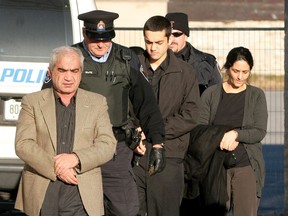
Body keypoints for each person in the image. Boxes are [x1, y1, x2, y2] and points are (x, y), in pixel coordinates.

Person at [42, 10, 166, 216]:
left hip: (115, 149)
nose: (101, 44)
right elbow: (46, 104)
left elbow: (147, 104)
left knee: (125, 209)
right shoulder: (69, 59)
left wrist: (158, 143)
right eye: (95, 38)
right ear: (84, 33)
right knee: (75, 209)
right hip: (77, 148)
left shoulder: (126, 60)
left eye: (106, 38)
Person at [14, 46, 117, 216]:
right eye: (62, 70)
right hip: (43, 191)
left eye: (74, 71)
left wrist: (76, 158)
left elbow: (107, 144)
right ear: (50, 72)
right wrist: (57, 167)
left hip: (81, 194)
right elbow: (23, 144)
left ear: (81, 72)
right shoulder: (31, 102)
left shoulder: (97, 103)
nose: (69, 77)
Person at [133, 15, 200, 216]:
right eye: (148, 42)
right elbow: (123, 105)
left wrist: (154, 132)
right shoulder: (134, 68)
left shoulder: (185, 73)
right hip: (136, 154)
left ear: (169, 39)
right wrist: (133, 132)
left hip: (169, 155)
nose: (153, 48)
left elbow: (191, 114)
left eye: (159, 42)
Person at [197, 46, 268, 215]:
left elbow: (259, 131)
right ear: (227, 68)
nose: (240, 76)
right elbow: (200, 127)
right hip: (216, 166)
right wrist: (219, 137)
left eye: (245, 72)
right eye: (236, 71)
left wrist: (236, 134)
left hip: (246, 165)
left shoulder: (257, 95)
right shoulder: (211, 94)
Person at [165, 12, 222, 95]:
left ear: (186, 35)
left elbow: (217, 97)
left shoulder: (207, 63)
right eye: (168, 34)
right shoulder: (154, 61)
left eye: (176, 34)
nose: (171, 39)